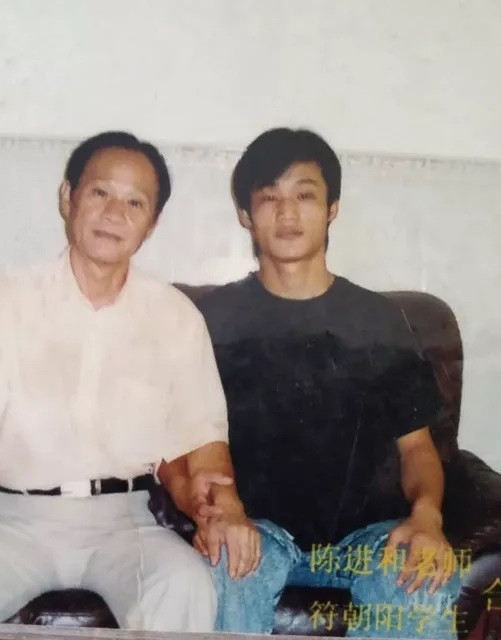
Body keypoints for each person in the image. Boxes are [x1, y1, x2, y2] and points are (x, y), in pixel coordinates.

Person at [0, 131, 259, 631]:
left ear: (152, 224)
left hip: (127, 525)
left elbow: (203, 446)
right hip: (16, 520)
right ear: (67, 197)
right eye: (100, 192)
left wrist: (222, 513)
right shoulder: (8, 300)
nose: (115, 213)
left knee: (184, 583)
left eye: (135, 203)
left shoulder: (176, 318)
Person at [184, 127, 465, 637]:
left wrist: (427, 516)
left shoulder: (378, 320)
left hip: (367, 540)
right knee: (225, 565)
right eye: (270, 198)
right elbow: (184, 445)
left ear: (332, 208)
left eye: (304, 195)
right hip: (258, 535)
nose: (287, 213)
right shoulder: (213, 320)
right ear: (246, 214)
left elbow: (417, 448)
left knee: (424, 578)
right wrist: (220, 516)